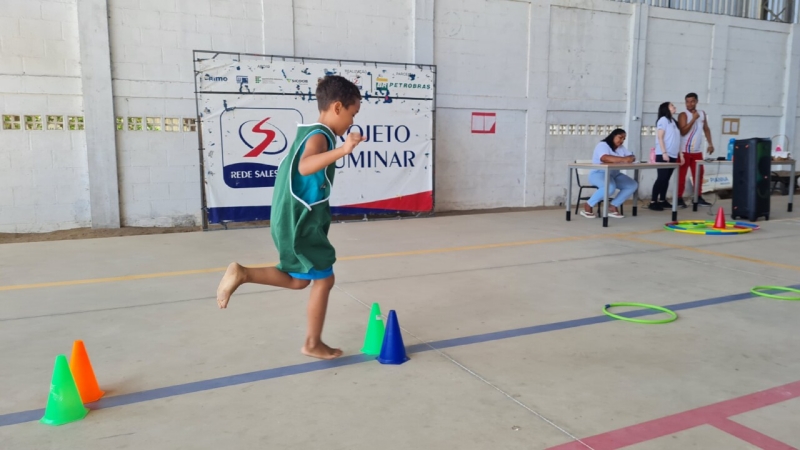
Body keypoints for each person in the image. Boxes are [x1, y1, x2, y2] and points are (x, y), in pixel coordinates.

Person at [215, 75, 366, 360]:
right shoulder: (320, 136)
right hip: (300, 222)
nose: (351, 122)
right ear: (337, 107)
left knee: (299, 280)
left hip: (291, 219)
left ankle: (243, 273)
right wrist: (343, 150)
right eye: (352, 114)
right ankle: (312, 343)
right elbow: (305, 166)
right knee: (324, 279)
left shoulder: (311, 132)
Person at [581, 128, 638, 219]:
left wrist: (631, 158)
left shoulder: (621, 147)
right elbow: (604, 158)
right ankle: (588, 205)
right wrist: (624, 159)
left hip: (614, 174)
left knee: (632, 185)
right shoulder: (602, 145)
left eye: (624, 139)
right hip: (599, 174)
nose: (622, 141)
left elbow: (631, 156)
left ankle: (613, 205)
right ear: (613, 136)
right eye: (620, 137)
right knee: (610, 187)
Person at [677, 93, 715, 207]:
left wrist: (710, 143)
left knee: (699, 174)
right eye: (687, 101)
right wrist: (693, 119)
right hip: (684, 151)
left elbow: (706, 129)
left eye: (692, 101)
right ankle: (678, 198)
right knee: (681, 176)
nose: (689, 104)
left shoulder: (702, 113)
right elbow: (683, 131)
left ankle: (698, 198)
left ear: (696, 102)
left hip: (697, 151)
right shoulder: (683, 115)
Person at [650, 102, 682, 211]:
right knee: (661, 178)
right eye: (672, 105)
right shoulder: (663, 120)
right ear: (666, 108)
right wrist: (664, 153)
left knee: (666, 179)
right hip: (663, 154)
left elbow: (678, 140)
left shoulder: (673, 121)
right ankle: (653, 201)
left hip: (673, 154)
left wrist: (681, 154)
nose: (674, 106)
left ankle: (662, 200)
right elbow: (660, 137)